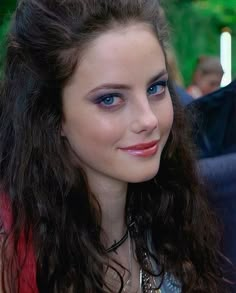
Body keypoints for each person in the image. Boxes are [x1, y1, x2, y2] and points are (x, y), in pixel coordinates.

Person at [0, 0, 230, 292]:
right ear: (52, 114)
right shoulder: (13, 256)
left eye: (155, 88)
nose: (148, 119)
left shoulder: (174, 220)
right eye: (109, 99)